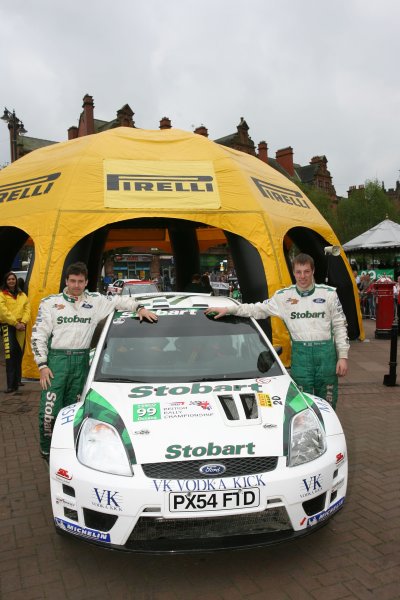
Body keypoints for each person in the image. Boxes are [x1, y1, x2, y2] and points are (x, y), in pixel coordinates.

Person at [31, 261, 158, 461]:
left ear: (86, 282)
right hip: (57, 362)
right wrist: (42, 365)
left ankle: (71, 450)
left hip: (82, 362)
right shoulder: (50, 303)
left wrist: (139, 308)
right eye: (72, 281)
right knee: (49, 413)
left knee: (75, 411)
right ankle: (47, 452)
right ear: (66, 281)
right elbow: (38, 335)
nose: (76, 285)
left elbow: (120, 301)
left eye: (80, 281)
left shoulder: (95, 300)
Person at [205, 253, 349, 410]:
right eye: (298, 272)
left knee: (328, 404)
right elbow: (256, 309)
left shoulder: (328, 294)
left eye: (306, 271)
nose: (302, 276)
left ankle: (327, 433)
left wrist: (342, 356)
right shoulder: (284, 297)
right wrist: (228, 309)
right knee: (301, 404)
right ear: (293, 273)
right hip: (301, 357)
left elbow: (340, 325)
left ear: (313, 271)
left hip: (326, 357)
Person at [0, 272, 31, 394]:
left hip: (21, 326)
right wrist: (15, 323)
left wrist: (23, 322)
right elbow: (3, 311)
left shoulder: (22, 294)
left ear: (16, 281)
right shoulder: (2, 294)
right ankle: (10, 385)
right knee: (10, 353)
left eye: (13, 279)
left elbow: (27, 309)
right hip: (8, 326)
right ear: (6, 281)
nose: (11, 281)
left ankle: (17, 380)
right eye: (9, 279)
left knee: (19, 352)